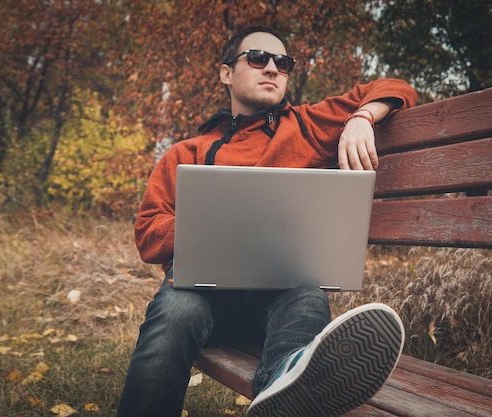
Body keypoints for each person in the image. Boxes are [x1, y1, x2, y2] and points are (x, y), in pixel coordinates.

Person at [116, 25, 417, 417]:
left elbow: (398, 87)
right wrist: (216, 225)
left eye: (283, 62)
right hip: (199, 297)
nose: (272, 68)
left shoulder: (308, 126)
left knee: (308, 296)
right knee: (175, 311)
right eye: (258, 58)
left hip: (279, 299)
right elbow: (148, 234)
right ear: (227, 73)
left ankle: (283, 385)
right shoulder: (185, 153)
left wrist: (362, 117)